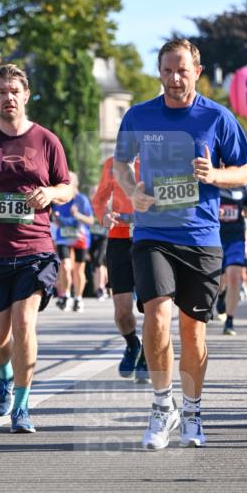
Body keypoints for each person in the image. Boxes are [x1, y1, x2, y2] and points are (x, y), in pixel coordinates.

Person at [114, 38, 247, 451]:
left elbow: (243, 173)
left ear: (197, 71)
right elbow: (121, 163)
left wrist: (214, 175)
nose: (175, 78)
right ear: (159, 72)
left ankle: (191, 408)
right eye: (168, 70)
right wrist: (130, 189)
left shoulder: (217, 117)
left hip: (201, 236)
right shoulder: (140, 116)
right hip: (153, 234)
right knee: (155, 317)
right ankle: (161, 406)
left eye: (182, 70)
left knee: (193, 333)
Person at [0, 64, 72, 433]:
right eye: (2, 92)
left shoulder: (46, 141)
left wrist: (51, 193)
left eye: (15, 91)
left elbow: (66, 187)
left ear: (26, 95)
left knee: (25, 324)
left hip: (35, 250)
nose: (9, 97)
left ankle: (22, 407)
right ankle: (5, 373)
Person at [92, 155, 149, 381]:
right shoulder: (112, 164)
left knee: (152, 308)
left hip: (151, 238)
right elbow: (99, 200)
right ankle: (133, 344)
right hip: (119, 239)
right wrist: (103, 216)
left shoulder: (158, 159)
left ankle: (147, 354)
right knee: (123, 311)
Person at [215, 184, 247, 335]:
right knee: (219, 280)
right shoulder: (212, 181)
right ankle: (220, 296)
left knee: (234, 277)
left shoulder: (242, 185)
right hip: (214, 237)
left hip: (235, 240)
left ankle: (229, 321)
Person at [52, 172, 94, 312]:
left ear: (75, 183)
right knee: (64, 266)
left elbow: (91, 221)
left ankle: (78, 298)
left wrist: (77, 215)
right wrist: (55, 219)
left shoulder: (81, 200)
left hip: (80, 238)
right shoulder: (58, 200)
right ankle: (66, 295)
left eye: (69, 181)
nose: (66, 183)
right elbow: (53, 217)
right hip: (63, 237)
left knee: (78, 269)